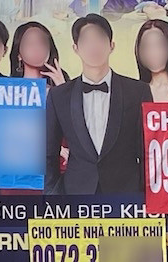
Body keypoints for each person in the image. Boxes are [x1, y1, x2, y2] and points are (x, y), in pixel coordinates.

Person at [45, 14, 152, 195]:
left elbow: (147, 152)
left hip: (126, 196)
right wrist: (54, 196)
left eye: (99, 39)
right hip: (75, 195)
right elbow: (49, 154)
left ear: (111, 45)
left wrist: (142, 195)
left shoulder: (138, 91)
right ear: (76, 48)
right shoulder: (59, 96)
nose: (93, 46)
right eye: (87, 40)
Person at [9, 20, 68, 85]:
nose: (37, 48)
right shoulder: (8, 87)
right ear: (19, 54)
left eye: (42, 43)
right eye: (30, 43)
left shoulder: (63, 84)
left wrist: (62, 87)